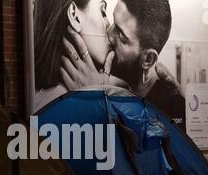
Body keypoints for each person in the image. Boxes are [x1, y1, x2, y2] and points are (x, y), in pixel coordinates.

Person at [61, 0, 186, 131]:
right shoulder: (111, 76)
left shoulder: (172, 107)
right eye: (114, 22)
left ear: (148, 59)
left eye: (121, 36)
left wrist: (96, 104)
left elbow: (144, 149)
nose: (109, 34)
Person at [33, 0, 115, 113]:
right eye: (102, 12)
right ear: (74, 16)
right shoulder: (58, 102)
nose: (109, 25)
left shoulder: (40, 96)